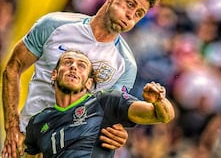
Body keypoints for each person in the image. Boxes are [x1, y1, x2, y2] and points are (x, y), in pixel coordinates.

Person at [1, 0, 161, 158]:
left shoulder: (126, 65)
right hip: (25, 142)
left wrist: (118, 134)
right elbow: (13, 69)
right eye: (130, 4)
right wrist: (12, 127)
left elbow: (110, 114)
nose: (131, 16)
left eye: (139, 13)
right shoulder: (54, 25)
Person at [23, 50, 175, 157]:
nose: (74, 67)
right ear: (54, 74)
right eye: (68, 62)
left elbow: (163, 116)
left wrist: (159, 101)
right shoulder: (37, 122)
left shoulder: (104, 102)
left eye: (81, 65)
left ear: (89, 83)